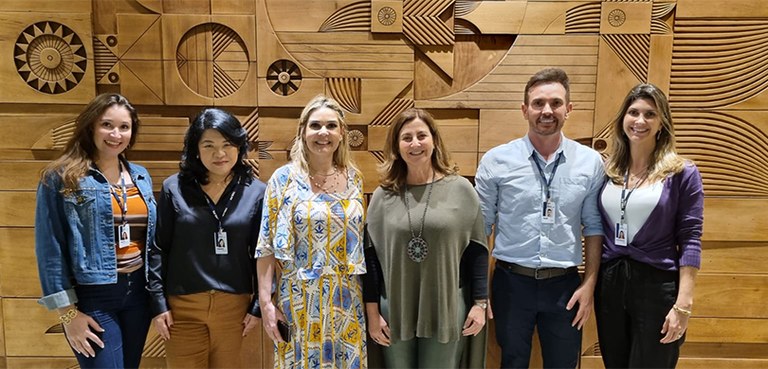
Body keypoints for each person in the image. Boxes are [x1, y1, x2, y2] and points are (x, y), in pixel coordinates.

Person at [475, 68, 605, 369]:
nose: (547, 111)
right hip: (510, 283)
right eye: (538, 103)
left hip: (565, 287)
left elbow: (594, 228)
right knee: (512, 363)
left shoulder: (590, 163)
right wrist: (480, 291)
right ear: (525, 110)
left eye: (556, 103)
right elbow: (481, 229)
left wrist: (589, 286)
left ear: (568, 109)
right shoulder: (497, 161)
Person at [34, 93, 155, 369]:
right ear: (91, 127)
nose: (116, 134)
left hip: (138, 294)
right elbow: (50, 247)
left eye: (124, 127)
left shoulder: (140, 175)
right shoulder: (61, 176)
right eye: (107, 125)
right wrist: (67, 315)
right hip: (94, 298)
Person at [363, 108, 489, 368]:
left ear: (434, 140)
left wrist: (480, 304)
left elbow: (477, 251)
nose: (415, 143)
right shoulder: (382, 196)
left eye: (422, 135)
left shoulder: (461, 190)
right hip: (395, 309)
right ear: (397, 147)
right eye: (406, 137)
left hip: (446, 305)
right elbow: (371, 259)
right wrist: (373, 313)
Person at [147, 108, 266, 368]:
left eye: (227, 144)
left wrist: (258, 306)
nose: (219, 153)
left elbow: (264, 254)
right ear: (195, 149)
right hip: (181, 310)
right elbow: (158, 248)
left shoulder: (257, 192)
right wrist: (158, 303)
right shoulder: (173, 188)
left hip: (234, 308)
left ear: (239, 145)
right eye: (208, 145)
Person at [595, 83, 703, 368]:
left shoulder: (682, 173)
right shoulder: (608, 171)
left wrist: (683, 304)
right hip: (611, 284)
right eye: (633, 112)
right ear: (622, 119)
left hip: (657, 284)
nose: (640, 121)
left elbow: (691, 238)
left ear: (661, 123)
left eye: (650, 114)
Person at [256, 95, 367, 369]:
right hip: (298, 298)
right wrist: (266, 304)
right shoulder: (283, 180)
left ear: (342, 133)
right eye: (315, 125)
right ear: (303, 131)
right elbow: (265, 247)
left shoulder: (354, 178)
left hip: (346, 297)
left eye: (331, 126)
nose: (323, 133)